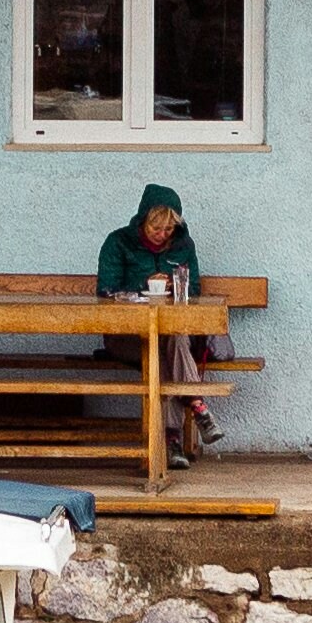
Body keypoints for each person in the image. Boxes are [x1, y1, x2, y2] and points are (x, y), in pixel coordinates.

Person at [99, 183, 224, 460]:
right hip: (126, 336)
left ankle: (171, 443)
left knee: (172, 342)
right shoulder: (118, 242)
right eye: (156, 229)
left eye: (168, 229)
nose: (162, 235)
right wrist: (144, 285)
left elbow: (195, 290)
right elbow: (105, 289)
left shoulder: (183, 245)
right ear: (144, 221)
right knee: (162, 351)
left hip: (169, 333)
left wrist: (174, 288)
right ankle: (195, 407)